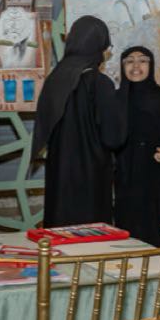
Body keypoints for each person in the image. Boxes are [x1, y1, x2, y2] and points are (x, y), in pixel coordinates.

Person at [31, 16, 127, 227]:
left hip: (59, 172)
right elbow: (114, 138)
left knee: (60, 233)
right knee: (89, 236)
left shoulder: (55, 79)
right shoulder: (100, 83)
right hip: (91, 176)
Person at [113, 46, 160, 246]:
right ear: (122, 67)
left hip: (156, 176)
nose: (136, 66)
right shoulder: (116, 98)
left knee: (157, 230)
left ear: (151, 65)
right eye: (129, 61)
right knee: (128, 229)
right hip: (126, 174)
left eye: (143, 60)